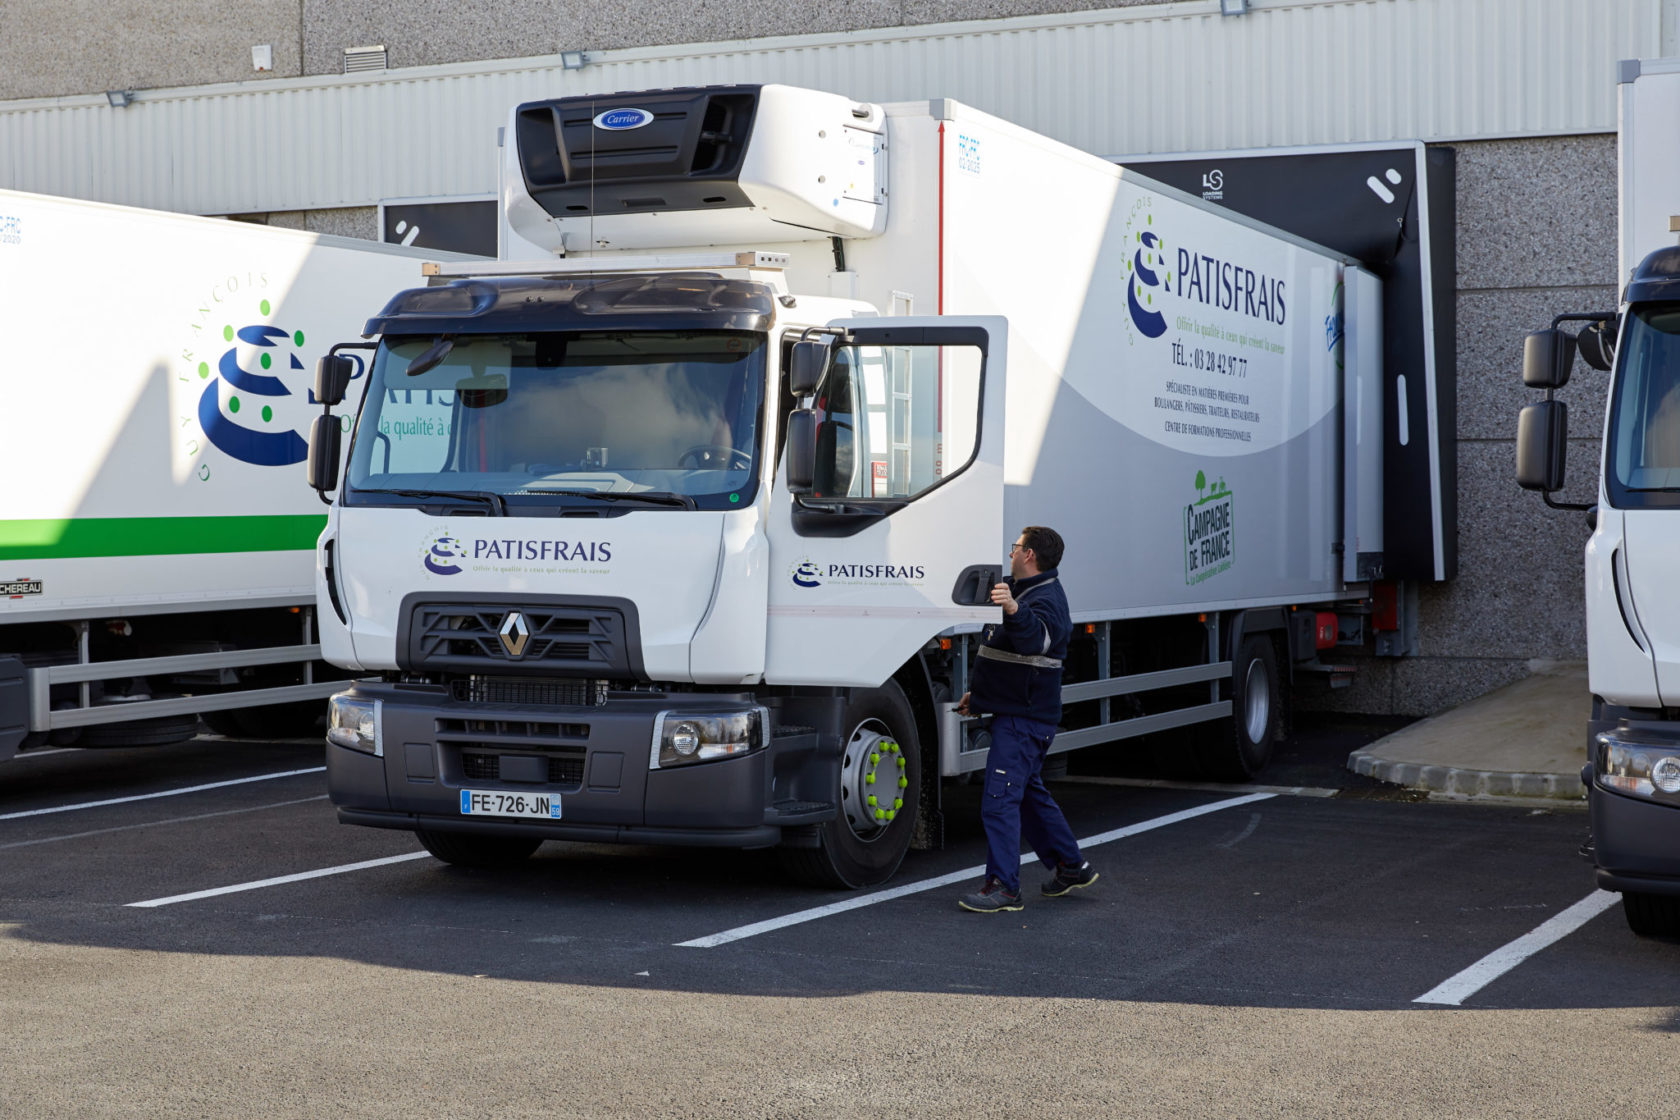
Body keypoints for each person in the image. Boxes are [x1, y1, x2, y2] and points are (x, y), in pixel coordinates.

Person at [956, 525, 1097, 913]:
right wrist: (980, 696)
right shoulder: (1023, 591)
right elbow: (1010, 658)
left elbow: (1037, 642)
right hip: (1019, 714)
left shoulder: (1046, 598)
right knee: (1027, 796)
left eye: (1016, 547)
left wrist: (1014, 610)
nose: (1011, 553)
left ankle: (1004, 887)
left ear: (1029, 554)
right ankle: (1070, 866)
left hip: (1024, 720)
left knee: (999, 800)